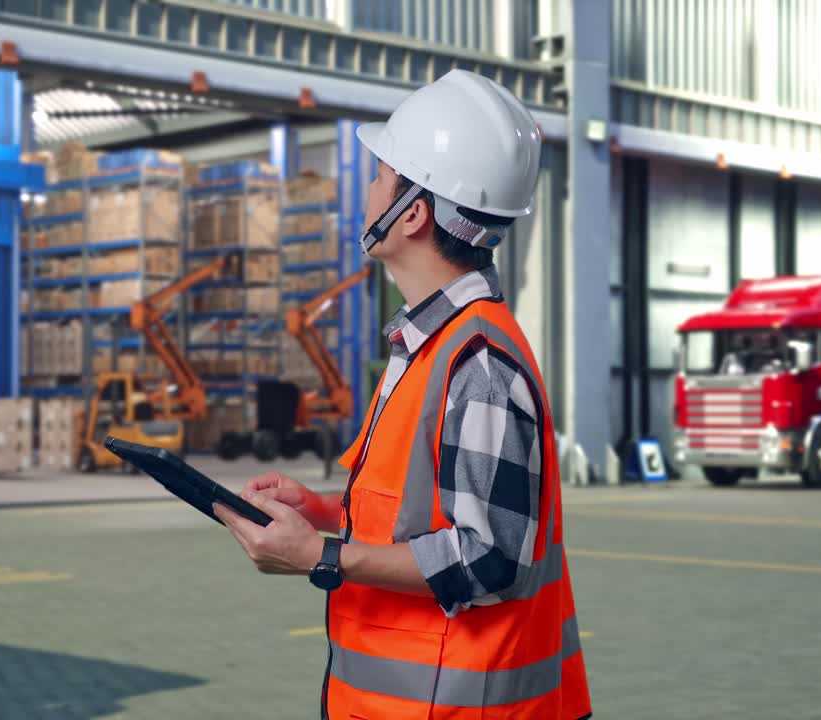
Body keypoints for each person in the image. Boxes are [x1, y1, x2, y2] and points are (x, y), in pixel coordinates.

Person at [213, 69, 593, 720]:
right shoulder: (429, 344)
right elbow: (420, 515)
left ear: (412, 213)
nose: (367, 190)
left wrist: (322, 555)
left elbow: (492, 560)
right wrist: (324, 512)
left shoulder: (477, 364)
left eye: (380, 176)